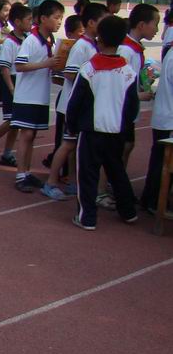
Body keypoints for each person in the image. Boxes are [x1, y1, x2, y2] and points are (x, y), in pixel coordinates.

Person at [66, 15, 140, 230]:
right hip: (116, 131)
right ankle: (128, 212)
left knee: (87, 175)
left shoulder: (89, 69)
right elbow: (132, 106)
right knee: (117, 172)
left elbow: (75, 102)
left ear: (99, 38)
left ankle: (87, 217)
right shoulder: (128, 72)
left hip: (91, 131)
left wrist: (72, 126)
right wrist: (126, 129)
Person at [43, 6, 107, 201]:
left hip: (82, 105)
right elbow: (70, 73)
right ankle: (51, 182)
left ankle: (72, 181)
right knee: (67, 145)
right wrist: (91, 81)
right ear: (91, 23)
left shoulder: (93, 45)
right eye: (102, 21)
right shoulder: (82, 46)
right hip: (71, 105)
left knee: (74, 145)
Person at [12, 0, 64, 192]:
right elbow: (19, 65)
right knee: (26, 135)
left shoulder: (49, 41)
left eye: (61, 18)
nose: (59, 22)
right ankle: (19, 175)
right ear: (43, 18)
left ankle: (26, 172)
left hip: (39, 95)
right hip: (27, 96)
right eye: (56, 17)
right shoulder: (31, 40)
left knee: (32, 135)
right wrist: (46, 63)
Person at [0, 3, 33, 167]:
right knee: (11, 119)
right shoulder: (10, 42)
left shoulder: (26, 39)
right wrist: (11, 88)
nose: (31, 23)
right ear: (17, 22)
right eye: (28, 20)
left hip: (22, 82)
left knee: (16, 123)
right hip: (11, 81)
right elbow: (4, 68)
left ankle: (7, 153)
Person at [141, 43, 173, 215]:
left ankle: (152, 199)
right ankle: (154, 201)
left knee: (160, 161)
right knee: (162, 163)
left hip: (166, 117)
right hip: (168, 119)